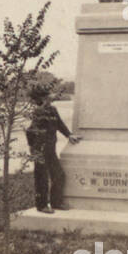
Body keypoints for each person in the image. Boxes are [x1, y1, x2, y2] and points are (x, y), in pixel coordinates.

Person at [24, 84, 80, 214]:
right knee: (42, 178)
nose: (51, 96)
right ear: (42, 98)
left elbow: (59, 124)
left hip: (50, 149)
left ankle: (56, 202)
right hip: (40, 149)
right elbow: (30, 131)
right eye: (47, 95)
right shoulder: (38, 112)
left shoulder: (52, 110)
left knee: (59, 175)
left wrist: (69, 135)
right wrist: (34, 148)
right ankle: (42, 205)